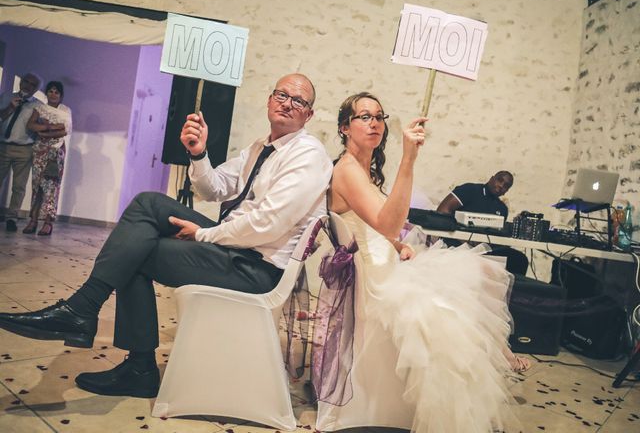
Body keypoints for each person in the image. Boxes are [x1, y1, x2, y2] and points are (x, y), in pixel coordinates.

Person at [0, 73, 333, 399]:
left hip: (257, 269)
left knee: (136, 253)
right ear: (270, 99)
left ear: (309, 113)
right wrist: (199, 153)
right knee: (148, 204)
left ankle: (124, 353)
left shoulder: (307, 154)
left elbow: (267, 224)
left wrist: (204, 234)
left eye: (299, 101)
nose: (287, 104)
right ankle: (89, 316)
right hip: (236, 250)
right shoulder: (261, 146)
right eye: (282, 95)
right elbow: (212, 188)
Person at [329, 92, 527, 433]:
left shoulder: (364, 171)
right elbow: (387, 221)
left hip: (387, 261)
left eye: (379, 116)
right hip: (375, 280)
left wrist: (397, 244)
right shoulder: (346, 170)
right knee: (449, 312)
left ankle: (498, 348)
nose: (374, 122)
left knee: (478, 271)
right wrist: (409, 160)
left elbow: (376, 225)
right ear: (345, 127)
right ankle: (457, 408)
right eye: (364, 116)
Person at [436, 171, 530, 277]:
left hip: (484, 249)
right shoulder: (469, 190)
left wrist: (513, 228)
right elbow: (442, 211)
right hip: (457, 243)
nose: (501, 186)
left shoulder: (502, 208)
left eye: (506, 186)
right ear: (492, 178)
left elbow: (496, 234)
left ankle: (509, 292)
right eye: (500, 180)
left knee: (519, 260)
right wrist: (461, 236)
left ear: (506, 191)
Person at [22, 81, 72, 236]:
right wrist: (51, 126)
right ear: (46, 93)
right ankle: (33, 221)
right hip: (40, 152)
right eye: (50, 91)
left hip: (56, 154)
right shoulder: (41, 108)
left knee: (52, 188)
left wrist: (44, 130)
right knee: (37, 187)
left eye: (56, 92)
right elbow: (31, 125)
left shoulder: (65, 110)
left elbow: (64, 130)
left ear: (61, 95)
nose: (53, 94)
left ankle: (48, 223)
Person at [0, 72, 43, 232]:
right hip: (3, 146)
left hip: (25, 149)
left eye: (32, 84)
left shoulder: (38, 106)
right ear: (21, 82)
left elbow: (38, 127)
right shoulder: (6, 97)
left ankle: (12, 217)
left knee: (19, 187)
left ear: (36, 89)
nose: (27, 86)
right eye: (26, 82)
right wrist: (10, 107)